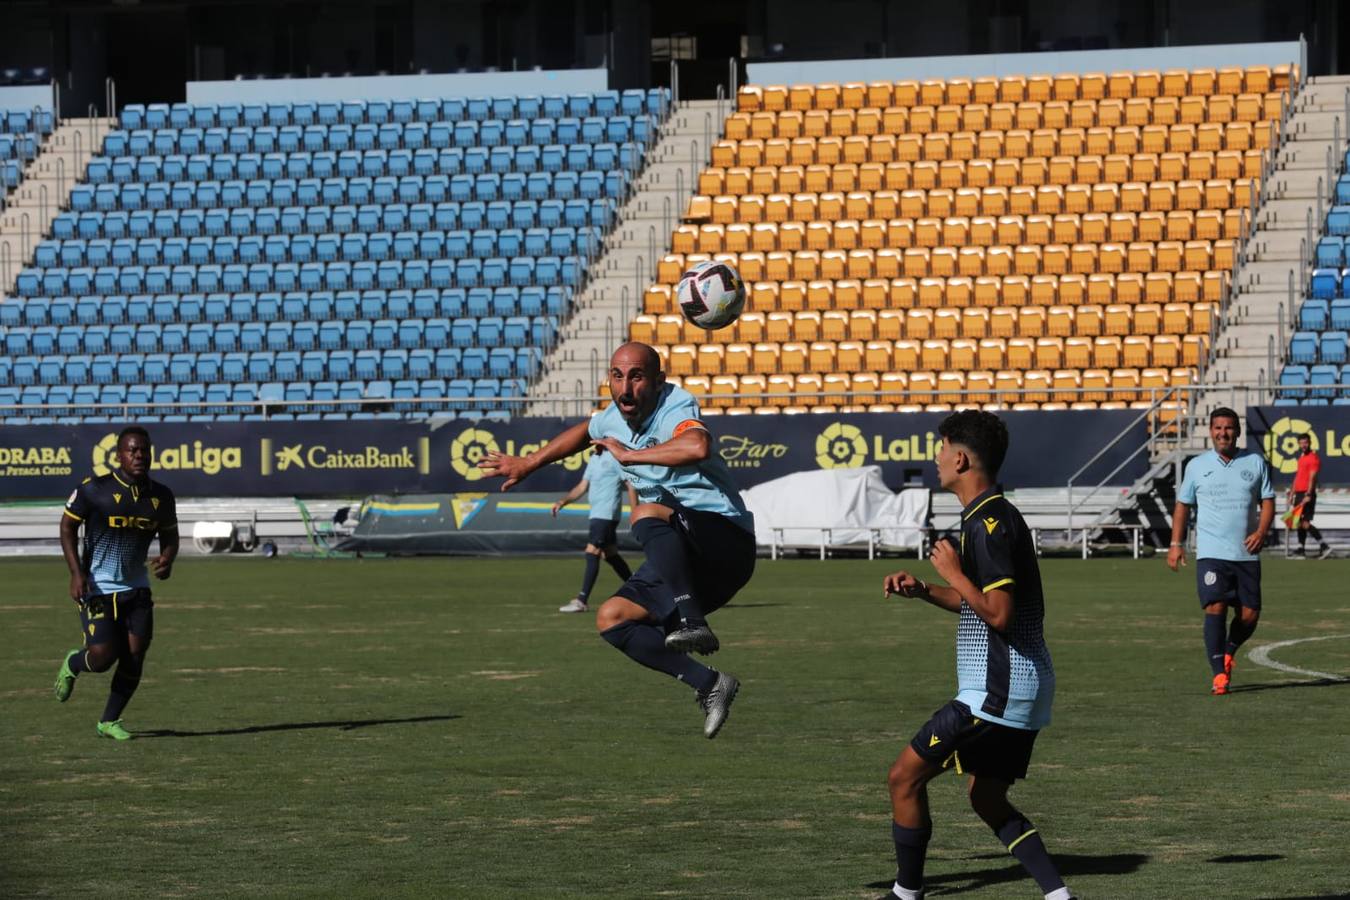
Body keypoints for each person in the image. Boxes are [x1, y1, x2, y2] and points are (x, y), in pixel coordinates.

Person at [480, 342, 755, 738]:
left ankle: (692, 621)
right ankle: (710, 684)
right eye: (617, 375)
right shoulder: (613, 416)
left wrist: (630, 457)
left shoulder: (675, 405)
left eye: (637, 376)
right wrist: (528, 462)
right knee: (612, 619)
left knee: (644, 513)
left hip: (725, 539)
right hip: (688, 556)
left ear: (659, 381)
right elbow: (584, 431)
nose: (625, 387)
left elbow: (698, 445)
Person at [879, 410, 1073, 900]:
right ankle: (1059, 895)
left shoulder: (986, 524)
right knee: (986, 797)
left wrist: (953, 573)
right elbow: (980, 605)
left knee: (903, 778)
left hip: (996, 691)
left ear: (961, 458)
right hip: (1022, 686)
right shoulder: (990, 516)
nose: (937, 459)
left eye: (941, 449)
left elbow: (1000, 614)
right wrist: (925, 589)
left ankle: (906, 894)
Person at [53, 425, 179, 740]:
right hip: (97, 587)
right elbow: (67, 527)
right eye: (132, 450)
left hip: (137, 588)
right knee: (102, 658)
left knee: (135, 654)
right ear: (119, 454)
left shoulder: (161, 496)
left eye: (144, 450)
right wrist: (75, 573)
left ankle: (109, 721)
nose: (139, 456)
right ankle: (73, 662)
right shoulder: (94, 489)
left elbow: (170, 535)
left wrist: (167, 558)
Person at [1168, 407, 1275, 695]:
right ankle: (1219, 675)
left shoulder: (1255, 462)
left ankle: (1229, 650)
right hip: (1211, 553)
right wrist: (1176, 544)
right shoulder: (1196, 466)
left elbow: (1267, 501)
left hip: (1246, 553)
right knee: (1214, 607)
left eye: (1228, 428)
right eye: (1217, 428)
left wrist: (1261, 532)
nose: (1223, 433)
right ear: (1210, 431)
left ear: (1237, 431)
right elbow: (1182, 505)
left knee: (1250, 615)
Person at [552, 446, 634, 613]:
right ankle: (642, 589)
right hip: (597, 514)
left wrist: (636, 511)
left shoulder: (615, 456)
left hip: (606, 514)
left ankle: (581, 600)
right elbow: (582, 486)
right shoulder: (595, 458)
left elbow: (631, 484)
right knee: (610, 554)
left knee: (592, 551)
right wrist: (563, 501)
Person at [1287, 432, 1331, 559]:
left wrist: (1308, 494)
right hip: (1299, 494)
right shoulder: (1301, 458)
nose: (1303, 445)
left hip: (1307, 494)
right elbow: (1297, 477)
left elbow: (1312, 478)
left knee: (1305, 522)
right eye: (1301, 443)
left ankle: (1324, 547)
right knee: (1297, 521)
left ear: (1310, 443)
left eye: (1305, 443)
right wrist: (1292, 493)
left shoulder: (1313, 458)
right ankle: (1301, 549)